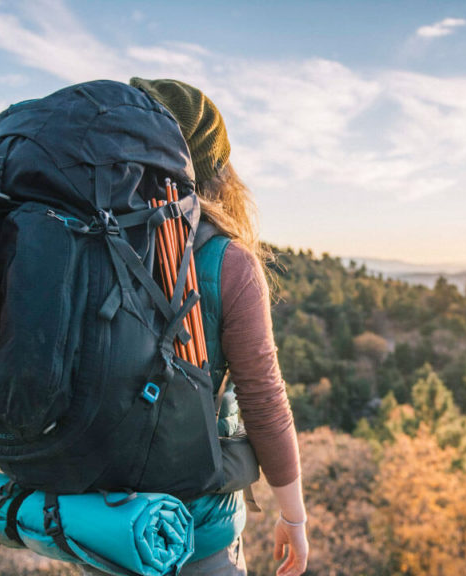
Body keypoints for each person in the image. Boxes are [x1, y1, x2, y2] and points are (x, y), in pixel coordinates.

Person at [84, 79, 309, 576]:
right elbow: (264, 399)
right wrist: (293, 516)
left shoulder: (88, 243)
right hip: (194, 533)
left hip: (99, 521)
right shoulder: (225, 261)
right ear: (212, 169)